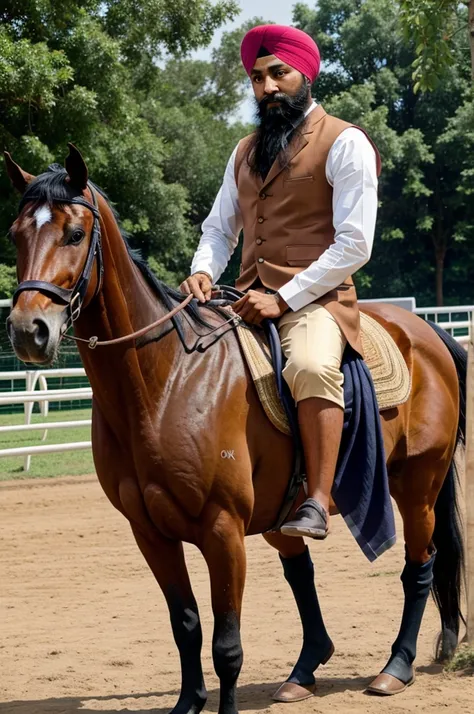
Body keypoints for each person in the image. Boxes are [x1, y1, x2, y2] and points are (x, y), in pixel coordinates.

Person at [181, 24, 379, 539]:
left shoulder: (345, 141)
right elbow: (219, 229)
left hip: (316, 300)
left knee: (311, 366)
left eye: (278, 74)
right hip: (244, 296)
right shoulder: (244, 151)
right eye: (256, 77)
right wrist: (203, 269)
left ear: (305, 76)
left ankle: (315, 498)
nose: (266, 87)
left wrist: (283, 297)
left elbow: (355, 244)